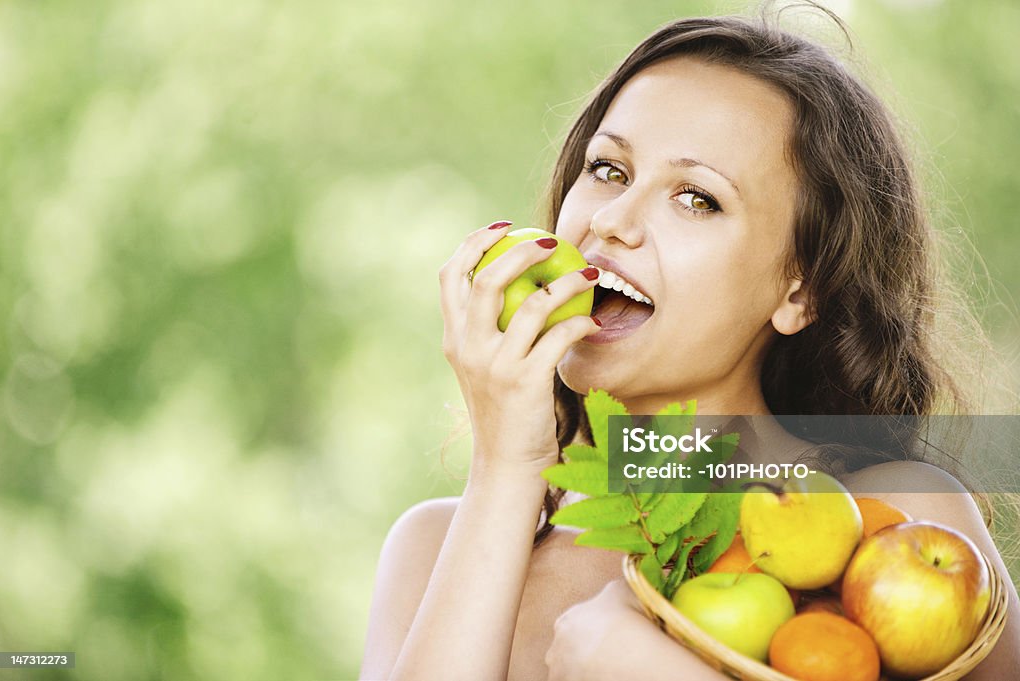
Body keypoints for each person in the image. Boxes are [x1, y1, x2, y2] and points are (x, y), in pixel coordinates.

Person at [360, 9, 1020, 681]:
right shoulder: (432, 549)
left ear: (800, 292)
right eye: (609, 170)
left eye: (697, 198)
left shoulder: (899, 522)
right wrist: (505, 466)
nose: (611, 221)